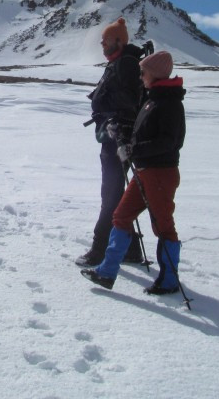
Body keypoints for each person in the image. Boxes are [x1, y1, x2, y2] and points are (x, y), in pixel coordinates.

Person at [83, 50, 185, 294]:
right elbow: (146, 136)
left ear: (155, 74)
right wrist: (123, 135)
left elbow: (169, 142)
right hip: (145, 170)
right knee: (121, 215)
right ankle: (107, 272)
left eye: (143, 72)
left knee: (163, 226)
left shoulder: (169, 103)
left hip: (160, 173)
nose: (140, 77)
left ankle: (170, 280)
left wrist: (133, 149)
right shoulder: (152, 99)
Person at [76, 17, 145, 268]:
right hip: (115, 138)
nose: (102, 45)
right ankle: (131, 248)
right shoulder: (121, 63)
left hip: (118, 140)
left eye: (106, 41)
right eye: (102, 41)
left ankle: (99, 249)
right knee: (116, 196)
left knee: (111, 195)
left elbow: (128, 103)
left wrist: (117, 125)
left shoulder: (125, 65)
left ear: (119, 41)